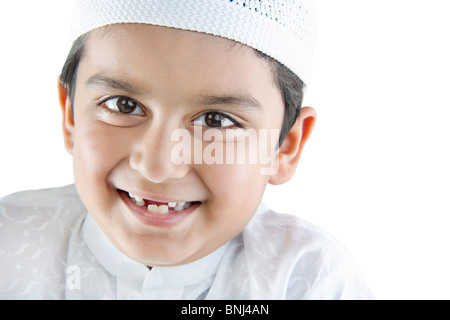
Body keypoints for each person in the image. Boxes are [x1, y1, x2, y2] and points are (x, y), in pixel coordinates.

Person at [0, 0, 373, 299]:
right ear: (70, 115)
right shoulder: (9, 244)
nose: (159, 166)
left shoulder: (311, 281)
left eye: (216, 121)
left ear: (284, 146)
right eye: (123, 105)